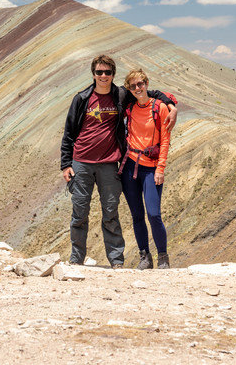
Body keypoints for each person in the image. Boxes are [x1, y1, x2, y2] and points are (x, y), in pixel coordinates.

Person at [60, 55, 177, 267]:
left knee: (111, 213)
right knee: (80, 212)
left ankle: (116, 261)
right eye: (99, 72)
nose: (103, 76)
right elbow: (69, 132)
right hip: (82, 162)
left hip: (109, 163)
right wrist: (65, 164)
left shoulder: (121, 95)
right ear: (93, 74)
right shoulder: (82, 98)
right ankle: (76, 260)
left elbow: (148, 94)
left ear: (113, 74)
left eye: (107, 72)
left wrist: (171, 104)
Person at [121, 68, 172, 269]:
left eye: (140, 83)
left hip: (151, 168)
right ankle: (145, 256)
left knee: (153, 214)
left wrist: (161, 168)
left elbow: (166, 141)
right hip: (130, 165)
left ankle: (163, 257)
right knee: (136, 215)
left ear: (147, 83)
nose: (137, 88)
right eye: (133, 86)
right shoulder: (129, 107)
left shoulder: (160, 108)